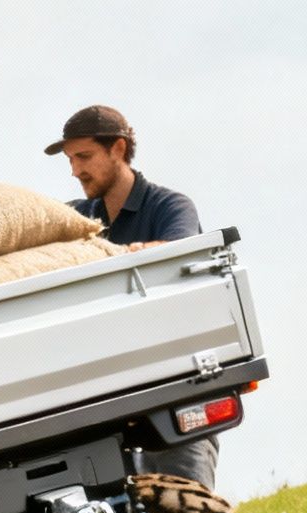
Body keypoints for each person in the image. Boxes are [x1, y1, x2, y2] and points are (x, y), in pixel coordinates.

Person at [45, 105, 217, 486]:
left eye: (84, 157)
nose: (75, 171)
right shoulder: (75, 219)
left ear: (118, 149)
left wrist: (118, 256)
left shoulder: (170, 206)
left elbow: (179, 254)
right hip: (101, 399)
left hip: (173, 388)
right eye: (70, 160)